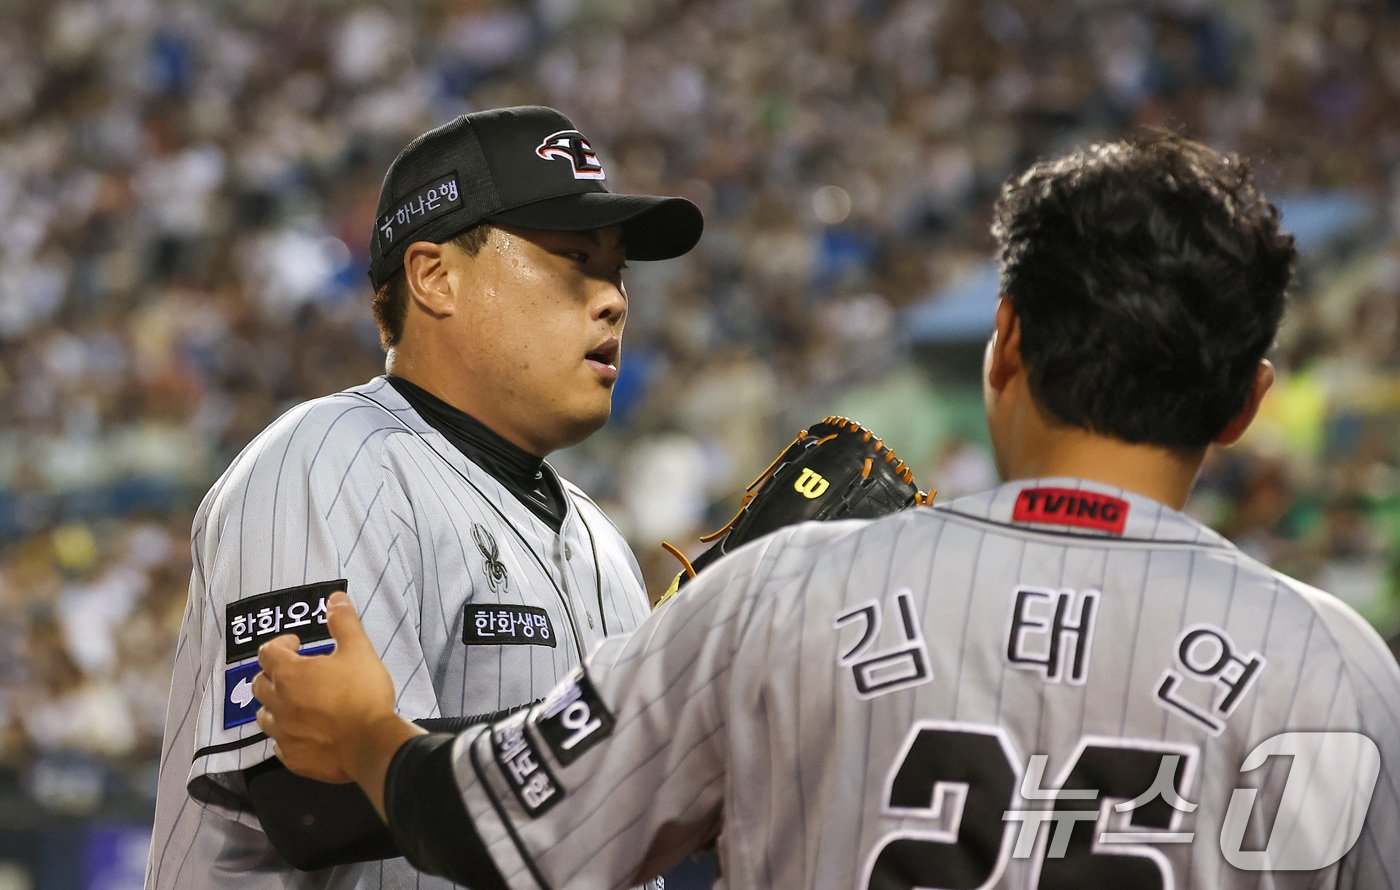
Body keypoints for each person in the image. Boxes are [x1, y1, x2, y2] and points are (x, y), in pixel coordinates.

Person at [251, 134, 1400, 889]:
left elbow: (495, 825)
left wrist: (369, 736)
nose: (609, 298)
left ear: (1004, 342)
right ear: (1248, 400)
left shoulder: (788, 593)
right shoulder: (1340, 669)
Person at [144, 106, 702, 889]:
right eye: (575, 257)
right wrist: (655, 729)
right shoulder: (332, 460)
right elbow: (315, 796)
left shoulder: (601, 541)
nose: (612, 299)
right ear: (435, 277)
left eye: (617, 270)